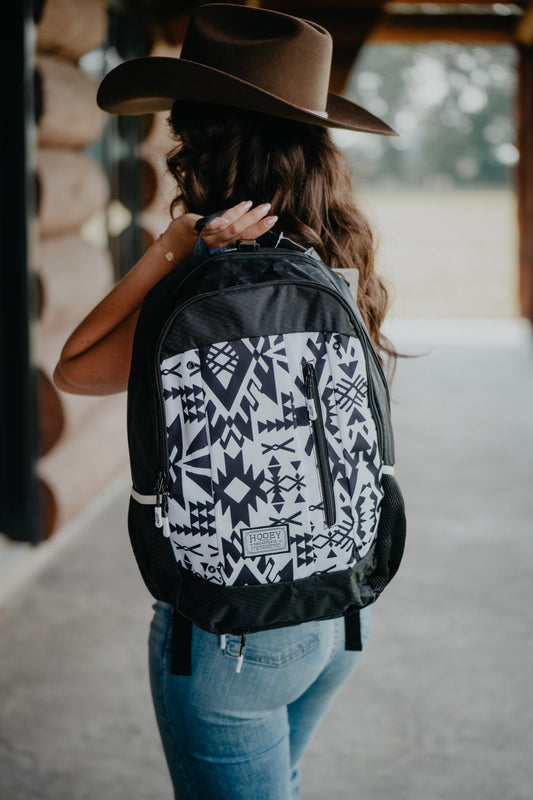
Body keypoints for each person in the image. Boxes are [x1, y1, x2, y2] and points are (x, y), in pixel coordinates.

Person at [54, 5, 397, 798]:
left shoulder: (206, 282)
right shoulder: (337, 251)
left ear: (203, 147)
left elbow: (75, 368)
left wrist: (174, 250)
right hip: (342, 603)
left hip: (233, 633)